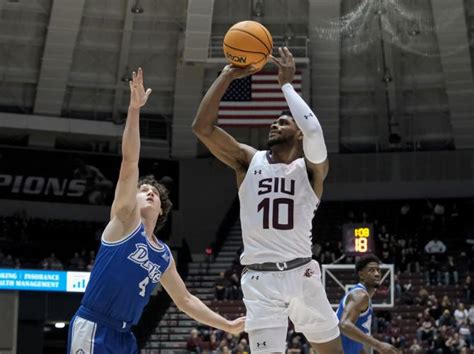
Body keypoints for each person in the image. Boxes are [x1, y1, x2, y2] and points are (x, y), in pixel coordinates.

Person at [67, 68, 244, 354]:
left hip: (125, 337)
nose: (150, 192)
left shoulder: (163, 255)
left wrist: (228, 325)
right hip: (94, 327)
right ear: (131, 199)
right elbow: (129, 161)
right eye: (143, 190)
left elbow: (185, 301)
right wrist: (134, 110)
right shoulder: (124, 220)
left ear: (161, 211)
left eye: (156, 194)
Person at [192, 47, 342, 353]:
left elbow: (313, 128)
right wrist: (226, 76)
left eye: (284, 122)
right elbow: (201, 128)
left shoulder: (311, 170)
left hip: (302, 274)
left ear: (298, 135)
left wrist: (286, 85)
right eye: (273, 122)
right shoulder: (249, 161)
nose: (275, 124)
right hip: (260, 280)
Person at [336, 255, 399, 354]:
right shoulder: (360, 295)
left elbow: (356, 338)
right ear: (361, 275)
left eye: (378, 270)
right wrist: (379, 345)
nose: (377, 274)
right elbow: (344, 325)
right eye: (371, 270)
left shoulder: (364, 297)